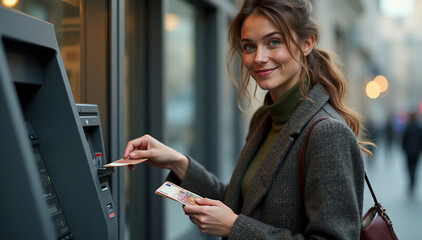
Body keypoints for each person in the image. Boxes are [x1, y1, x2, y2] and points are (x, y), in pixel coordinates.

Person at [124, 0, 372, 239]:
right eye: (249, 46)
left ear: (307, 43)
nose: (259, 58)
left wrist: (235, 228)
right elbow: (242, 203)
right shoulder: (264, 118)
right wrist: (178, 163)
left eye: (273, 42)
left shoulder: (327, 133)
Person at [401, 111, 422, 195]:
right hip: (416, 152)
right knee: (415, 168)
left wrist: (404, 149)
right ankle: (413, 184)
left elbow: (404, 140)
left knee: (409, 168)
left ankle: (411, 183)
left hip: (408, 152)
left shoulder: (408, 127)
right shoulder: (419, 127)